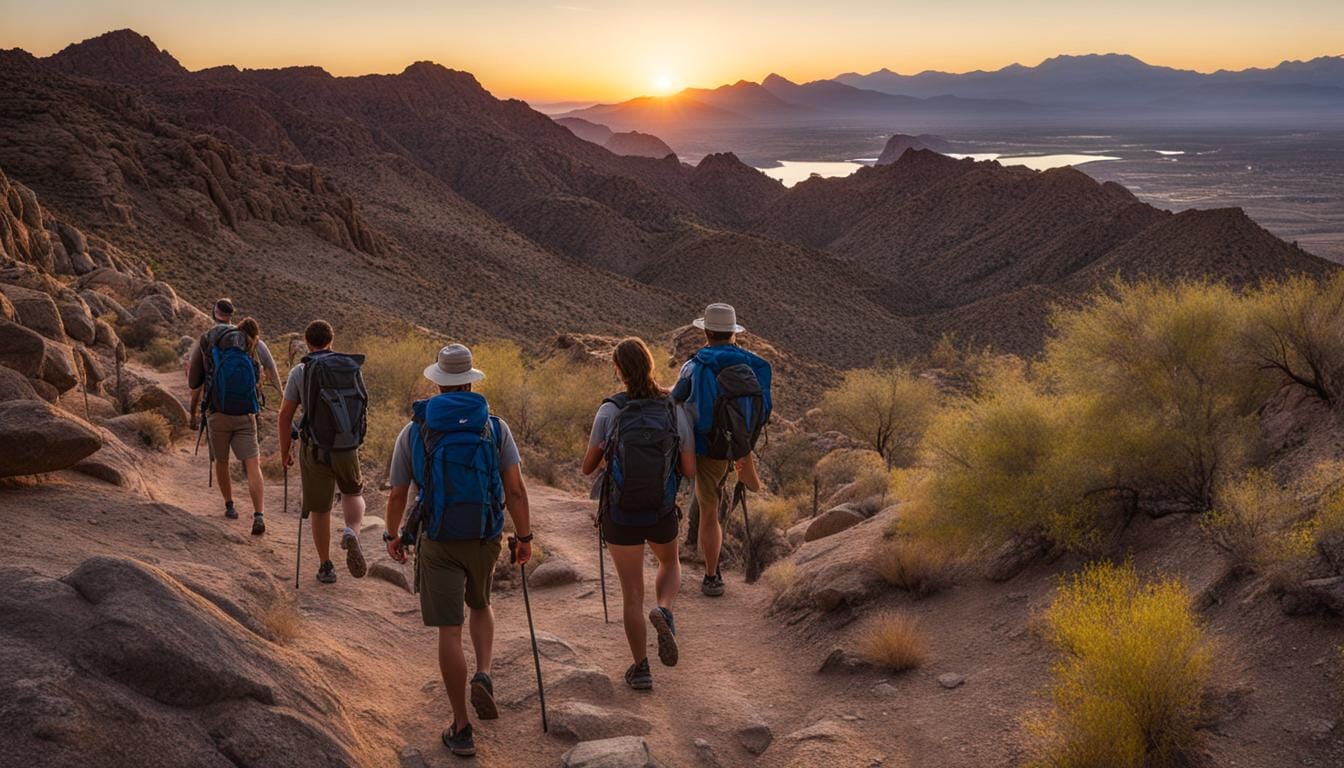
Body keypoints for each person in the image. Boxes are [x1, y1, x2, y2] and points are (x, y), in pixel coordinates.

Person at [384, 344, 533, 758]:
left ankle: (462, 726)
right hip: (484, 535)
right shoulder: (495, 428)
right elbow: (515, 490)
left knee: (449, 630)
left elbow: (398, 494)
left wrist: (393, 536)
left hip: (437, 538)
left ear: (436, 382)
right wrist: (524, 538)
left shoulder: (414, 430)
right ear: (471, 380)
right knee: (481, 605)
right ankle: (483, 673)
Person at [581, 338, 695, 691]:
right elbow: (689, 468)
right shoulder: (673, 407)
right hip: (660, 510)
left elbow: (587, 468)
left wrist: (610, 458)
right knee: (670, 563)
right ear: (651, 365)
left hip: (621, 513)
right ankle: (664, 609)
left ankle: (641, 669)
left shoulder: (610, 410)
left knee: (631, 593)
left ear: (618, 369)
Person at [671, 303, 768, 597]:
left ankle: (712, 577)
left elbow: (676, 398)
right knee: (718, 497)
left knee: (709, 510)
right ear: (733, 334)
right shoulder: (756, 364)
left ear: (707, 333)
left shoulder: (695, 365)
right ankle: (745, 468)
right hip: (741, 441)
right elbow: (763, 409)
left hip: (707, 446)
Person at [278, 320, 369, 584]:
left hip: (314, 446)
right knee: (353, 492)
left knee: (320, 508)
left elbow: (285, 415)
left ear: (307, 342)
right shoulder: (350, 368)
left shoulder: (301, 371)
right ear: (332, 340)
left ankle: (326, 565)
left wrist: (286, 451)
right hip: (346, 444)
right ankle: (352, 530)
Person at [187, 298, 281, 534]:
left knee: (222, 461)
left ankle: (229, 505)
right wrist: (282, 399)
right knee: (253, 464)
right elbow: (271, 368)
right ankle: (259, 514)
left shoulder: (207, 338)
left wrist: (193, 411)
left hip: (217, 412)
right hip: (246, 412)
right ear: (232, 315)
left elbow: (194, 382)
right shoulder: (249, 339)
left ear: (214, 312)